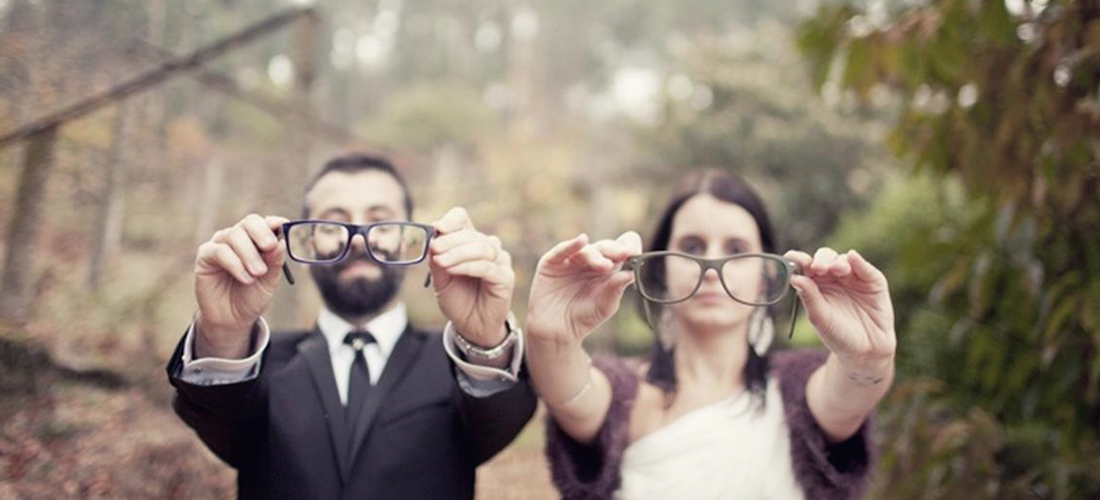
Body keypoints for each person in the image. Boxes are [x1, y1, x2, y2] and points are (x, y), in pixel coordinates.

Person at [165, 153, 537, 499]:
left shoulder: (457, 362)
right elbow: (216, 420)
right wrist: (223, 329)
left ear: (409, 240)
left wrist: (485, 336)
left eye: (380, 219)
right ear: (306, 241)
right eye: (334, 222)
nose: (358, 238)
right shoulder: (256, 361)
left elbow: (501, 421)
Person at [525, 169, 895, 499]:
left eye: (736, 248)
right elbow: (567, 389)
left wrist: (867, 357)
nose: (713, 267)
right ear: (660, 268)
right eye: (691, 247)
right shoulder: (621, 393)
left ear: (768, 274)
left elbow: (852, 389)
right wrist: (555, 336)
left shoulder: (799, 389)